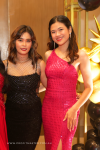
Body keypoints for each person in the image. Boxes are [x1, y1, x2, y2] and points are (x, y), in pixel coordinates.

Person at [42, 15, 93, 150]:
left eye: (60, 30)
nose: (57, 34)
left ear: (69, 29)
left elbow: (89, 88)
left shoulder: (80, 55)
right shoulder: (48, 54)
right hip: (48, 108)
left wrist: (75, 108)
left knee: (63, 146)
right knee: (51, 146)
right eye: (53, 32)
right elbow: (48, 84)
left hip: (69, 109)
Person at [3, 25, 47, 150]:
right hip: (11, 116)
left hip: (32, 117)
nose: (24, 44)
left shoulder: (39, 64)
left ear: (32, 43)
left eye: (28, 41)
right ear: (14, 42)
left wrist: (70, 93)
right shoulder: (5, 65)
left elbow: (49, 86)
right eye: (20, 40)